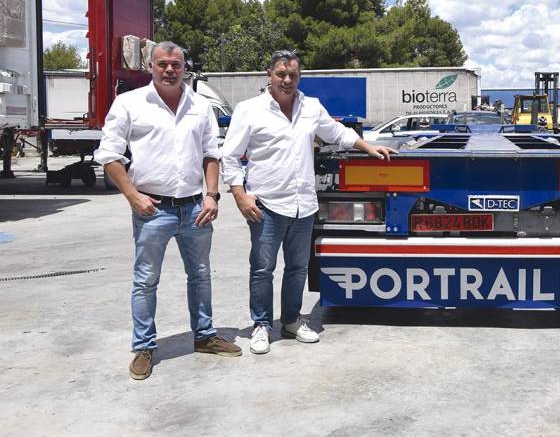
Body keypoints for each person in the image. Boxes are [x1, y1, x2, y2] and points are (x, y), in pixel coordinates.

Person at [221, 50, 396, 355]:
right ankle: (261, 325)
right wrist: (239, 195)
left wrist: (367, 146)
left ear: (299, 76)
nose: (287, 80)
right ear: (269, 75)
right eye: (280, 74)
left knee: (298, 268)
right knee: (262, 268)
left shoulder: (311, 107)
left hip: (304, 204)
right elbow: (231, 156)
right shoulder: (249, 110)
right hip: (265, 205)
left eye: (293, 75)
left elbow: (336, 132)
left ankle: (290, 320)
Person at [97, 41, 241, 381]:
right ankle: (144, 347)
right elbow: (108, 156)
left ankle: (205, 337)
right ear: (151, 66)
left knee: (201, 275)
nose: (169, 69)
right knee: (146, 280)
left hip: (195, 208)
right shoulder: (130, 104)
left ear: (184, 67)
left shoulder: (200, 107)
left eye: (176, 64)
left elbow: (211, 154)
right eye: (162, 63)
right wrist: (133, 196)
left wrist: (212, 195)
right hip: (152, 208)